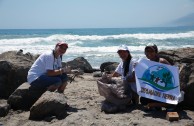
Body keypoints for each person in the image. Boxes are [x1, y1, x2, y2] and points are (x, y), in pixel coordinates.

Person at [140, 43, 174, 110]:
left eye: (152, 51)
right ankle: (157, 105)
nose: (149, 53)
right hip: (155, 89)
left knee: (170, 100)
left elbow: (173, 74)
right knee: (143, 100)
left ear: (156, 52)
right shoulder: (147, 63)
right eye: (147, 51)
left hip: (165, 89)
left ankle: (158, 105)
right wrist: (137, 66)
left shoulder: (162, 61)